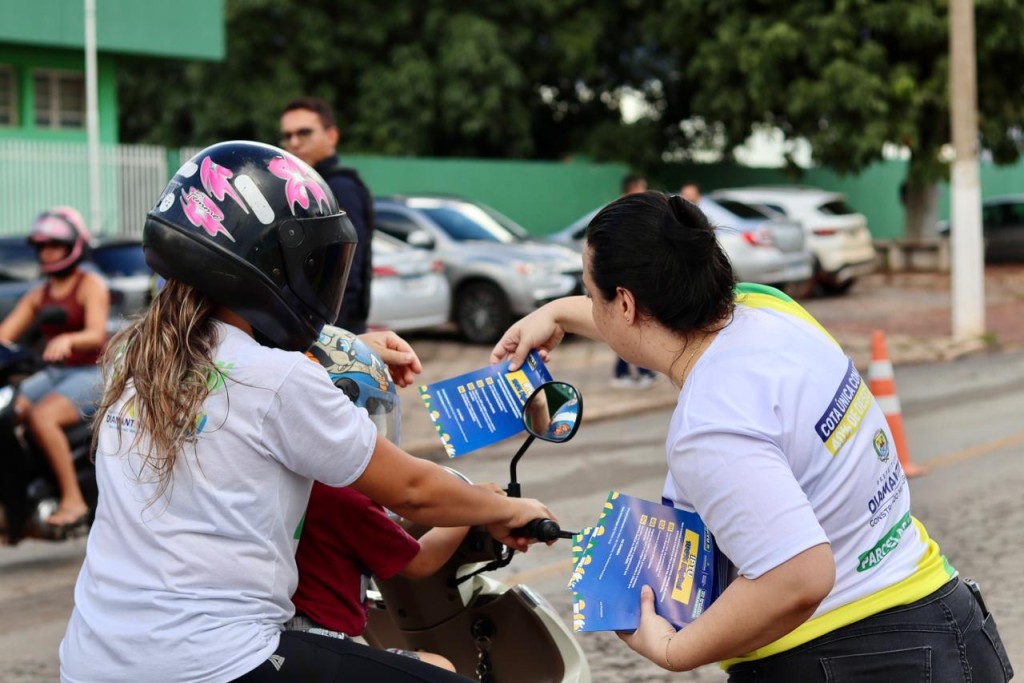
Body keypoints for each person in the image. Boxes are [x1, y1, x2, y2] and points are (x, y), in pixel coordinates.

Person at [59, 141, 554, 683]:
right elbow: (413, 490)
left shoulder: (135, 356)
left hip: (92, 658)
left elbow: (227, 377)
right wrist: (504, 507)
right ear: (267, 260)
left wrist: (352, 346)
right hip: (214, 660)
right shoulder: (279, 378)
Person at [490, 191, 1014, 681]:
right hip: (946, 619)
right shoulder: (767, 307)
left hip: (853, 658)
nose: (589, 304)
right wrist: (557, 313)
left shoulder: (711, 424)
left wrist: (675, 651)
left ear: (624, 304)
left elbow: (799, 577)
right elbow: (646, 319)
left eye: (589, 293)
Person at [289, 326, 485, 672]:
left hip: (287, 634)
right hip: (324, 644)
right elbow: (419, 561)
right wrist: (474, 509)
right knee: (439, 667)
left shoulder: (293, 479)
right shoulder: (345, 496)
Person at [0, 207, 109, 531]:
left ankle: (73, 499)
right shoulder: (39, 294)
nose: (47, 252)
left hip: (91, 372)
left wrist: (69, 340)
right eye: (41, 245)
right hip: (52, 374)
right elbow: (5, 335)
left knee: (42, 417)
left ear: (73, 245)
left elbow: (96, 333)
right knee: (11, 410)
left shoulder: (90, 285)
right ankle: (19, 495)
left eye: (55, 245)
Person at [280, 96, 374, 333]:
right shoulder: (306, 187)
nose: (294, 142)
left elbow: (345, 277)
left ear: (331, 136)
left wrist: (326, 340)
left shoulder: (339, 188)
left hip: (331, 333)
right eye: (288, 135)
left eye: (304, 133)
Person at [611, 173, 657, 390]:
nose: (645, 191)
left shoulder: (623, 210)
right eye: (643, 187)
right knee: (634, 323)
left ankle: (629, 371)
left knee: (634, 324)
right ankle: (630, 372)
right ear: (634, 187)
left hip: (631, 275)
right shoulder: (626, 211)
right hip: (628, 276)